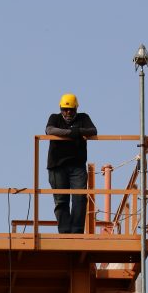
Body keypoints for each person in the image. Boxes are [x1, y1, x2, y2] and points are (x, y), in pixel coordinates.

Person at [46, 93, 98, 234]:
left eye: (71, 110)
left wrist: (78, 131)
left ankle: (76, 232)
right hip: (57, 166)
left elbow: (93, 130)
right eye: (65, 109)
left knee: (80, 199)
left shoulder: (83, 118)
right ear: (60, 109)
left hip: (77, 166)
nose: (68, 112)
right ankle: (64, 232)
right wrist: (72, 133)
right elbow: (49, 130)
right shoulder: (55, 118)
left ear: (76, 108)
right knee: (61, 200)